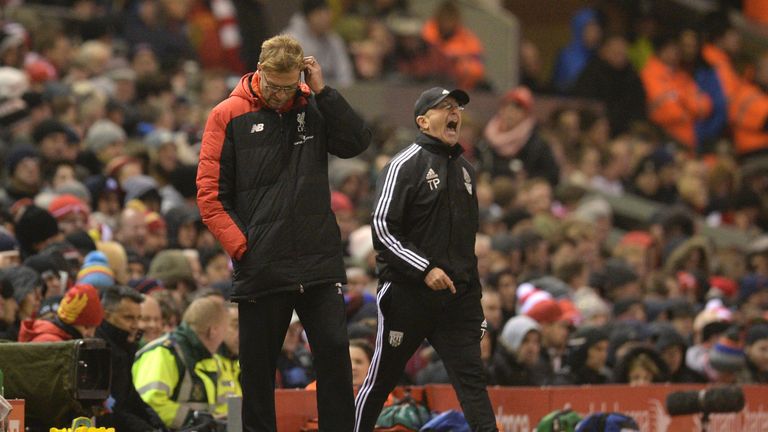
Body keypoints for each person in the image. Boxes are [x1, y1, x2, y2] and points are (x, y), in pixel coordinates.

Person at [196, 34, 371, 432]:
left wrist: (324, 92)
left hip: (318, 259)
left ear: (302, 76)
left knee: (335, 356)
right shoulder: (227, 114)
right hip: (263, 263)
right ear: (259, 71)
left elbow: (357, 142)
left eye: (288, 86)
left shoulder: (314, 104)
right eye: (273, 86)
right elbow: (209, 196)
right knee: (257, 370)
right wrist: (244, 248)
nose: (279, 95)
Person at [354, 87, 497, 431]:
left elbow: (467, 246)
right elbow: (382, 227)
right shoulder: (404, 164)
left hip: (455, 299)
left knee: (473, 385)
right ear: (423, 121)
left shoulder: (466, 171)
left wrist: (474, 303)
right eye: (444, 107)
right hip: (408, 294)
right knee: (382, 380)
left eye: (457, 108)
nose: (455, 113)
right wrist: (424, 269)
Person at [132, 297, 228, 429]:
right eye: (226, 329)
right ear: (213, 331)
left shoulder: (211, 359)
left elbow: (218, 408)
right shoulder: (163, 353)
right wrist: (193, 419)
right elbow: (150, 402)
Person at [95, 285, 166, 431]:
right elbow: (111, 409)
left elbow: (130, 397)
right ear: (106, 315)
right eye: (128, 318)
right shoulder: (98, 350)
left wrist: (156, 422)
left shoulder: (125, 347)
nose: (136, 325)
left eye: (138, 318)